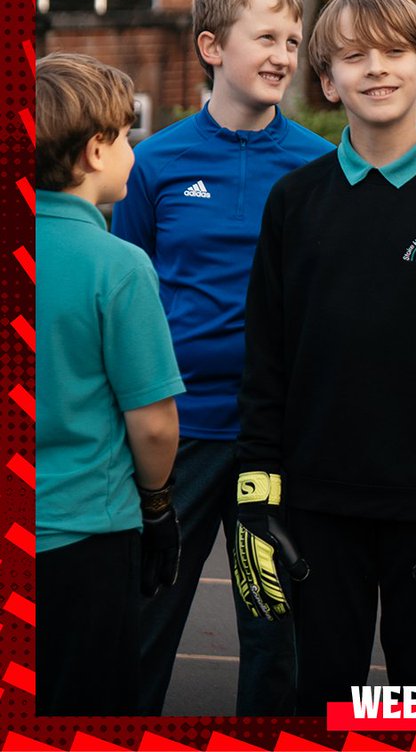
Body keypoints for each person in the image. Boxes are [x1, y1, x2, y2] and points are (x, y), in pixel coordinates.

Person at [233, 0, 416, 716]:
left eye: (395, 52)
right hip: (315, 504)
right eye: (354, 57)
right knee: (322, 697)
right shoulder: (295, 201)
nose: (376, 69)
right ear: (327, 83)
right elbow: (266, 359)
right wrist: (256, 495)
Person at [111, 0, 334, 715]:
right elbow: (129, 300)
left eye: (293, 41)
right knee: (143, 622)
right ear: (211, 46)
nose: (283, 55)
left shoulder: (320, 167)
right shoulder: (154, 163)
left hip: (282, 439)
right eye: (265, 37)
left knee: (278, 640)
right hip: (180, 434)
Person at [36, 53, 184, 715]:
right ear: (96, 151)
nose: (133, 150)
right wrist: (158, 505)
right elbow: (152, 423)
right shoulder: (118, 265)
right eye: (126, 137)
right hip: (85, 535)